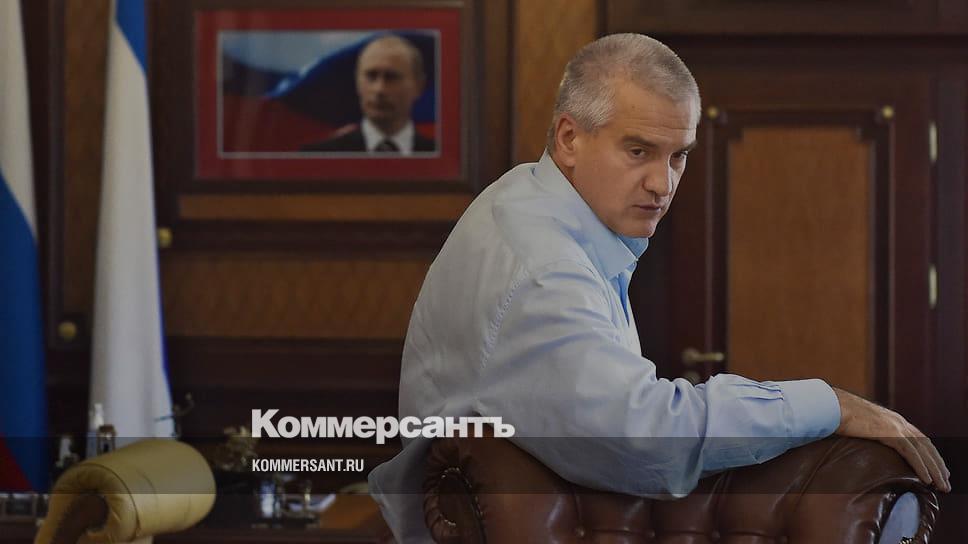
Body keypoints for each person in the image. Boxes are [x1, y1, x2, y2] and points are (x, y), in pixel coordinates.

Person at [367, 33, 949, 542]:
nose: (662, 183)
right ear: (569, 138)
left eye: (679, 157)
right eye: (639, 150)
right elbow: (649, 440)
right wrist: (828, 404)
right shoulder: (544, 267)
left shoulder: (534, 203)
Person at [302, 35, 435, 154]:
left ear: (419, 86)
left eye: (391, 77)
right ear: (357, 83)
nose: (379, 89)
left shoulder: (439, 156)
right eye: (371, 76)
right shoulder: (317, 156)